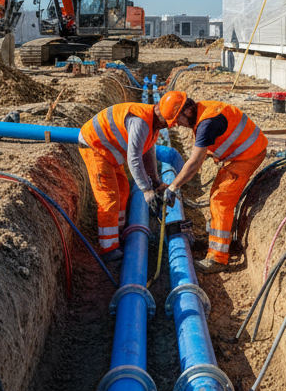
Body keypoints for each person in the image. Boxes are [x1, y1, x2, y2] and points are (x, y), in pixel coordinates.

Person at [157, 91, 266, 273]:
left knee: (221, 200)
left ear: (187, 111)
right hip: (240, 152)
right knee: (216, 194)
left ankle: (218, 257)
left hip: (248, 154)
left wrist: (173, 186)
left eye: (178, 121)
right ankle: (218, 241)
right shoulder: (202, 112)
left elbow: (195, 161)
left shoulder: (207, 122)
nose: (179, 125)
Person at [78, 102, 171, 265]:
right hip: (96, 146)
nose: (168, 126)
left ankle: (119, 232)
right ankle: (108, 249)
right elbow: (134, 159)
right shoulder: (140, 121)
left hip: (111, 149)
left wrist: (155, 180)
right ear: (161, 113)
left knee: (123, 190)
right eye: (168, 122)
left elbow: (147, 152)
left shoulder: (153, 125)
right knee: (109, 198)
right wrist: (146, 190)